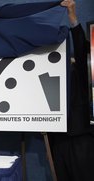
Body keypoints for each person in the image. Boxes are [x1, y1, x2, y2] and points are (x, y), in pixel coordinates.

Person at [50, 1, 94, 180]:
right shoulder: (47, 73)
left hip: (81, 138)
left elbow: (84, 52)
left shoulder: (82, 70)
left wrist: (72, 17)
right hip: (57, 140)